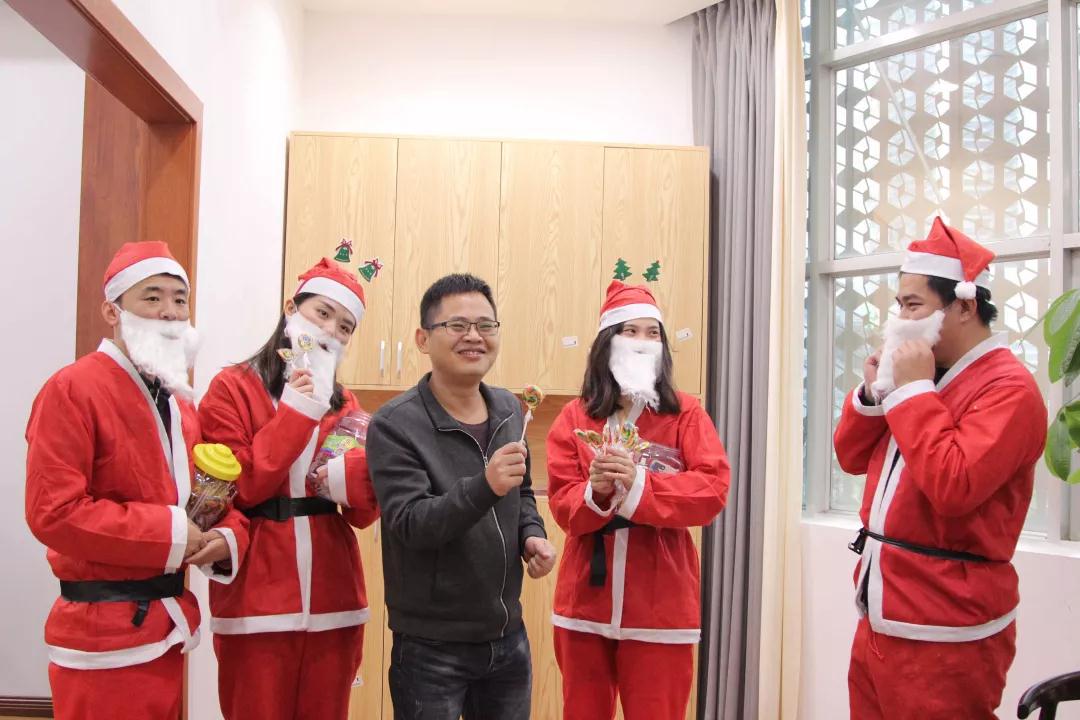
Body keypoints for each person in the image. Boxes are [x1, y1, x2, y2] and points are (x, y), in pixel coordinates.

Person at [834, 217, 1048, 719]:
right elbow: (850, 457)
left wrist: (912, 391)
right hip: (880, 612)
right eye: (899, 305)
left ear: (965, 306)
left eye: (913, 306)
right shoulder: (925, 374)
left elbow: (954, 487)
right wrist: (876, 393)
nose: (898, 321)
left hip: (947, 628)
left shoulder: (1009, 389)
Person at [25, 241, 249, 720]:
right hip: (101, 637)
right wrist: (172, 532)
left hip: (166, 628)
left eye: (180, 299)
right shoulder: (71, 389)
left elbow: (207, 497)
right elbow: (53, 513)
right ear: (112, 311)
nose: (170, 312)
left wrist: (225, 537)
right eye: (152, 297)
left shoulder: (179, 402)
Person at [366, 273, 557, 720]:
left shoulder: (510, 410)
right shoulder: (395, 424)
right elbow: (411, 524)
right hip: (431, 648)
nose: (474, 336)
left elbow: (521, 493)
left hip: (508, 637)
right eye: (457, 325)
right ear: (423, 339)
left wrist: (532, 534)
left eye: (486, 325)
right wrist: (485, 485)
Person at [198, 259, 379, 720]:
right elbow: (244, 487)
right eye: (323, 313)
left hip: (335, 598)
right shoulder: (232, 389)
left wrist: (371, 476)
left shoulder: (346, 404)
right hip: (257, 597)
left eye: (345, 326)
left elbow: (360, 514)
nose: (331, 331)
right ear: (290, 308)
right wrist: (298, 409)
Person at [545, 280, 730, 720]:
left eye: (653, 333)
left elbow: (712, 489)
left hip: (660, 602)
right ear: (607, 342)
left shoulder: (686, 413)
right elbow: (563, 502)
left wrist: (640, 485)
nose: (643, 342)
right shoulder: (576, 416)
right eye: (630, 331)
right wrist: (597, 491)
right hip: (584, 601)